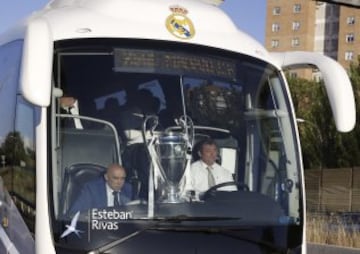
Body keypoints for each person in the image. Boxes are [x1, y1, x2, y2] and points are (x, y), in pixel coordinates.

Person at [68, 164, 132, 215]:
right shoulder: (92, 189)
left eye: (122, 178)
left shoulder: (127, 189)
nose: (119, 182)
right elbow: (75, 213)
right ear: (106, 177)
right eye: (115, 178)